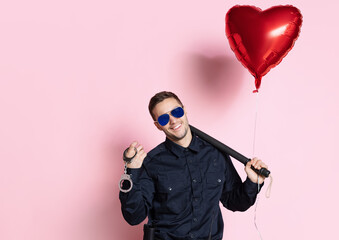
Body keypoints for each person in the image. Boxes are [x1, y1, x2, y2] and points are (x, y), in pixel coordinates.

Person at [119, 91, 268, 240]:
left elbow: (235, 202)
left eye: (176, 111)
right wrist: (132, 171)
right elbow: (134, 217)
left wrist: (253, 182)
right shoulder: (151, 163)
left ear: (184, 110)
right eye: (164, 118)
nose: (173, 121)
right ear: (158, 126)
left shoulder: (215, 154)